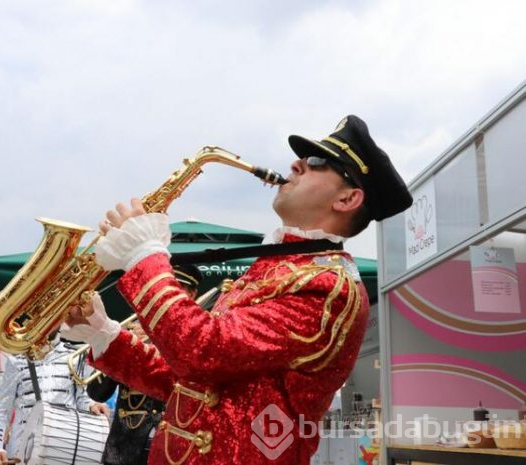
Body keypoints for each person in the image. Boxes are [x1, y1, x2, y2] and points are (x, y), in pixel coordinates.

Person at [62, 115, 413, 464]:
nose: (296, 164)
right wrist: (104, 334)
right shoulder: (278, 266)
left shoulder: (329, 288)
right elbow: (189, 382)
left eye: (316, 162)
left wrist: (145, 257)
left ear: (348, 199)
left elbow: (201, 350)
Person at [87, 265, 203, 465]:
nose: (171, 294)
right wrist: (124, 349)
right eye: (167, 287)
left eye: (179, 288)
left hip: (174, 449)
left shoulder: (201, 337)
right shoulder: (133, 332)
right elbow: (97, 393)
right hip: (124, 451)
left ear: (192, 294)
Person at [0, 334, 111, 465]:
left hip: (63, 448)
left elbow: (81, 397)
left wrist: (91, 405)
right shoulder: (16, 360)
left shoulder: (75, 356)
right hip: (22, 452)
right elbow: (2, 409)